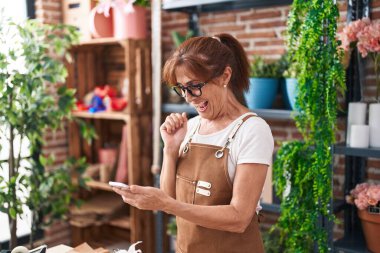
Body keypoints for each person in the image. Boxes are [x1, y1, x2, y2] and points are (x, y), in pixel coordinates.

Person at [112, 33, 274, 253]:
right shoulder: (191, 126)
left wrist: (166, 204)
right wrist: (170, 149)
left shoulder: (251, 130)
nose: (188, 97)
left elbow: (239, 218)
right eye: (181, 88)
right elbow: (170, 199)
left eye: (194, 86)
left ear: (225, 76)